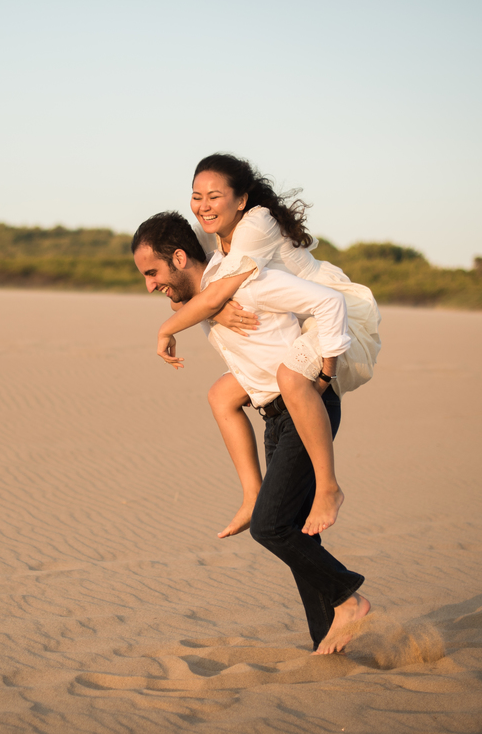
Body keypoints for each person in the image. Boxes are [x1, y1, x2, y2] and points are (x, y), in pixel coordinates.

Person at [131, 211, 370, 653]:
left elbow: (321, 303)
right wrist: (211, 310)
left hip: (304, 407)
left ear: (180, 257)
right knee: (296, 532)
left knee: (271, 528)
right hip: (273, 415)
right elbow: (215, 314)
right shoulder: (207, 299)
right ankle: (327, 638)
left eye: (153, 273)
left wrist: (328, 367)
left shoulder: (244, 280)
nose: (150, 286)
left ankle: (347, 597)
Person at [157, 154, 382, 540]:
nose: (203, 206)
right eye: (196, 196)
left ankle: (329, 487)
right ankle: (252, 496)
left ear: (241, 199)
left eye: (214, 196)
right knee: (221, 395)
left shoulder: (255, 224)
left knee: (291, 378)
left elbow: (215, 296)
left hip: (327, 309)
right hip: (295, 315)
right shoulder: (221, 240)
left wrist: (170, 327)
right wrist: (215, 311)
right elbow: (199, 293)